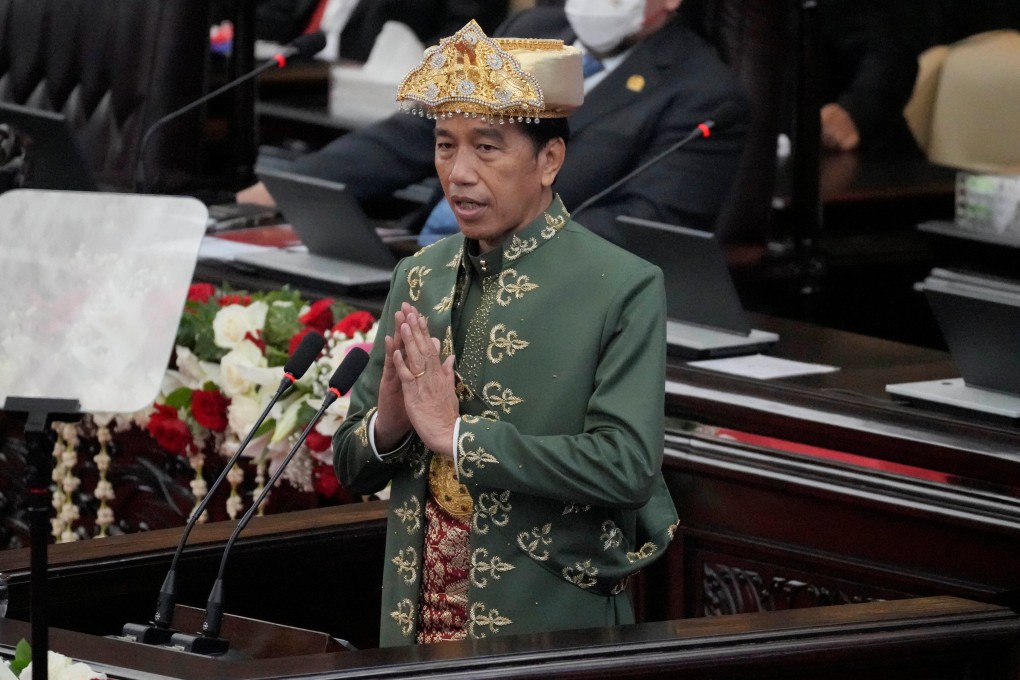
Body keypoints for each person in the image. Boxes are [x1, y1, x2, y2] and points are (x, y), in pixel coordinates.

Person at [332, 20, 679, 646]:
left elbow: (629, 467)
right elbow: (351, 468)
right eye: (445, 145)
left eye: (487, 148)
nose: (459, 173)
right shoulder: (420, 275)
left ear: (549, 159)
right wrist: (389, 425)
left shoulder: (622, 285)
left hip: (546, 626)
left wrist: (458, 436)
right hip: (415, 623)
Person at [238, 0, 749, 247]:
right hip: (425, 257)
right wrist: (293, 187)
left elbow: (644, 227)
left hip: (544, 296)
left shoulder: (701, 92)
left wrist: (498, 242)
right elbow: (419, 128)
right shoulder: (532, 30)